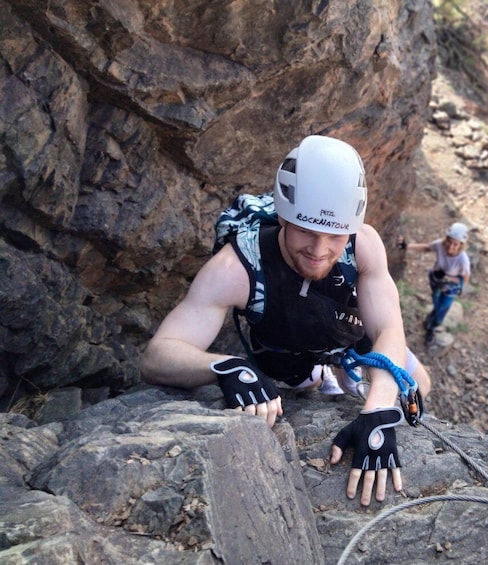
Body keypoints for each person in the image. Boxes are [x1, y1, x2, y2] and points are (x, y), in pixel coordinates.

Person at [140, 135, 431, 507]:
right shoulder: (238, 267)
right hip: (288, 355)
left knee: (419, 383)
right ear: (281, 217)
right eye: (306, 231)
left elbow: (388, 330)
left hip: (350, 337)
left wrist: (378, 411)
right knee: (304, 384)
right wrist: (226, 366)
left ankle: (341, 376)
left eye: (335, 236)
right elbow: (157, 355)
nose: (319, 249)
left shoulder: (364, 245)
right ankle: (325, 377)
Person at [398, 222, 471, 345]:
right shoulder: (440, 245)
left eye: (455, 244)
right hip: (436, 281)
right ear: (446, 239)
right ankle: (432, 317)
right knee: (437, 303)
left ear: (460, 245)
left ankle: (432, 328)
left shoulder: (462, 260)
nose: (450, 247)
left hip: (450, 287)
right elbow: (427, 248)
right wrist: (407, 246)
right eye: (449, 242)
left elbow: (464, 279)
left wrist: (448, 278)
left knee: (443, 308)